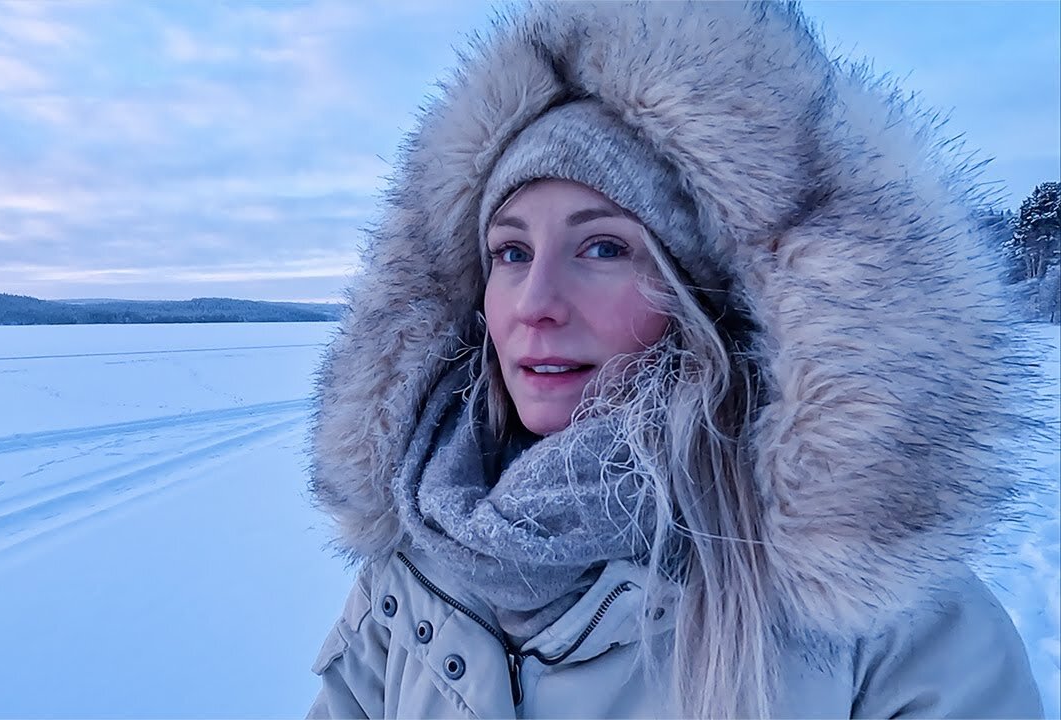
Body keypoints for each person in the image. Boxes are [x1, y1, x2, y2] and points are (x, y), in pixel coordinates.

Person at [306, 2, 1044, 718]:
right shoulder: (417, 559)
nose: (536, 301)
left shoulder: (882, 615)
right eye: (510, 251)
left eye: (604, 248)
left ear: (699, 294)